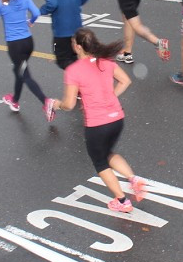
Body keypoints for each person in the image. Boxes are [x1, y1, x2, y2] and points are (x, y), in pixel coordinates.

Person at [52, 27, 148, 213]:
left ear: (78, 47)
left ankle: (122, 201)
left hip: (97, 124)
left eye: (73, 42)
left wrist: (58, 105)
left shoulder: (73, 70)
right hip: (117, 119)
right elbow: (126, 81)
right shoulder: (105, 61)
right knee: (108, 153)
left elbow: (70, 104)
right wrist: (111, 96)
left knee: (99, 162)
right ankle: (133, 179)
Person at [0, 0, 56, 119]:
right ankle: (15, 101)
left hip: (15, 46)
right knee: (18, 69)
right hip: (28, 42)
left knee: (25, 75)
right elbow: (37, 13)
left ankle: (46, 101)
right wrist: (30, 22)